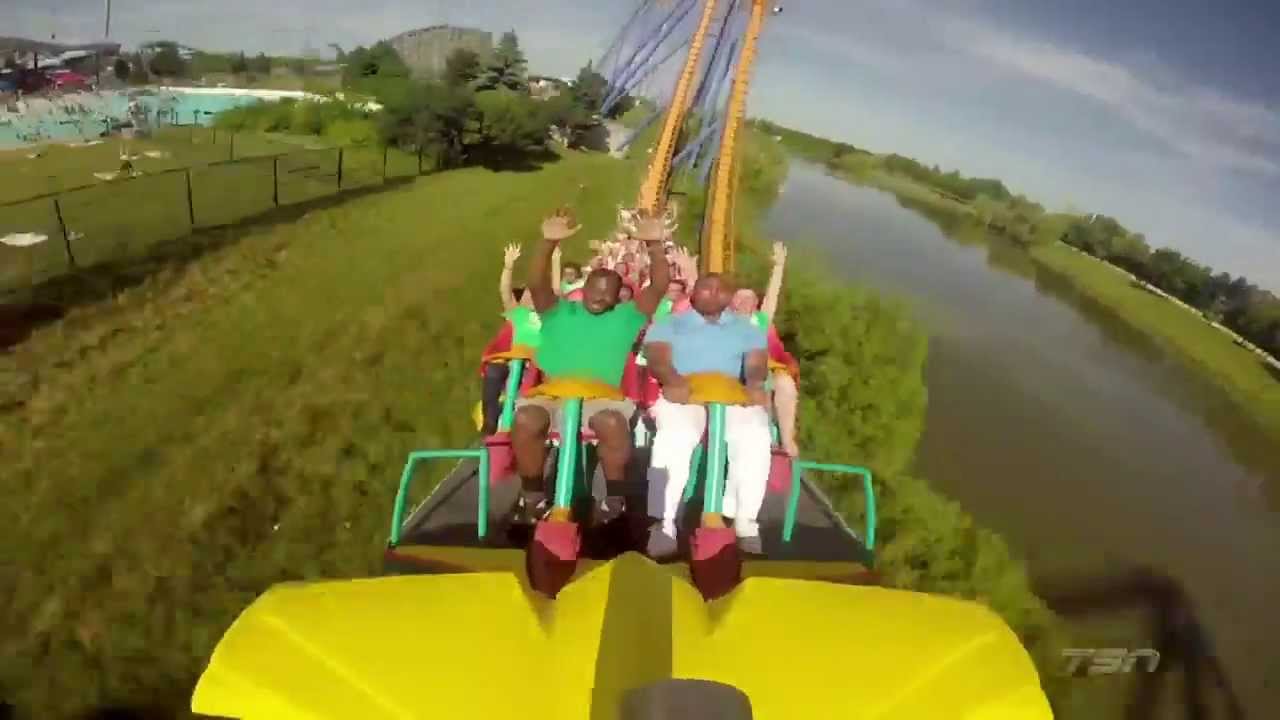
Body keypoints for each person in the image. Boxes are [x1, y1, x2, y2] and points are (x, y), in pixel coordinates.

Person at [509, 208, 670, 522]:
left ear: (617, 297)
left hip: (601, 397)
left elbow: (659, 285)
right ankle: (532, 495)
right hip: (553, 394)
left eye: (607, 294)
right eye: (594, 291)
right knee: (527, 419)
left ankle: (614, 498)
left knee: (612, 424)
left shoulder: (626, 317)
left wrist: (654, 244)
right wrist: (547, 243)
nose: (599, 298)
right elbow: (536, 282)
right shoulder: (559, 312)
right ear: (583, 291)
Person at [643, 273, 773, 557]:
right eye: (705, 288)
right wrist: (673, 381)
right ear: (693, 292)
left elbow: (756, 364)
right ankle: (663, 523)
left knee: (755, 434)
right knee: (675, 437)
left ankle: (744, 519)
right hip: (685, 390)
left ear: (729, 296)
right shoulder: (670, 324)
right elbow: (658, 358)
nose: (712, 294)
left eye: (719, 290)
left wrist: (754, 385)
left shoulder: (746, 328)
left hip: (729, 393)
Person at [728, 242, 800, 457]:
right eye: (739, 297)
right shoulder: (725, 321)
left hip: (762, 370)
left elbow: (772, 297)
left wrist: (778, 267)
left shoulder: (760, 320)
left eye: (749, 298)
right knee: (760, 386)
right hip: (735, 373)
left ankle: (787, 440)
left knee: (785, 384)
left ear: (755, 303)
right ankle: (762, 434)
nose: (744, 302)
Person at [479, 244, 543, 436]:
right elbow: (505, 291)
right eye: (527, 295)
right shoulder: (518, 314)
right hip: (510, 360)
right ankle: (490, 422)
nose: (530, 298)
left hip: (533, 363)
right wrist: (508, 266)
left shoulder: (547, 318)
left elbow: (556, 289)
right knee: (494, 371)